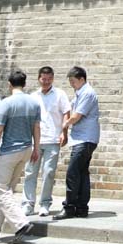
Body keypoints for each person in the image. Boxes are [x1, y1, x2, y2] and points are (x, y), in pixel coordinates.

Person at [0, 69, 41, 244]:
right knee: (6, 192)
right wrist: (36, 148)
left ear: (9, 84)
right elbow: (37, 128)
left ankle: (21, 223)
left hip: (9, 152)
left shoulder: (6, 103)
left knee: (0, 190)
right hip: (27, 150)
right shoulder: (34, 103)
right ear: (25, 83)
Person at [21, 65, 71, 217]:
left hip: (53, 139)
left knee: (48, 172)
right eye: (43, 79)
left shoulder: (60, 94)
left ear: (53, 79)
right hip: (35, 141)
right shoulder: (32, 96)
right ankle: (28, 204)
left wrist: (64, 132)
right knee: (30, 172)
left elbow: (66, 113)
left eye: (49, 79)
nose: (46, 82)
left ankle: (45, 203)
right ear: (39, 79)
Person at [55, 66, 100, 220]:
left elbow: (77, 116)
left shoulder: (87, 93)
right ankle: (81, 208)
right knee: (81, 173)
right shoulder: (80, 93)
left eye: (73, 81)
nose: (72, 84)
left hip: (85, 139)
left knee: (72, 173)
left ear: (82, 79)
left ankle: (69, 207)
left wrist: (64, 125)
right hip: (84, 138)